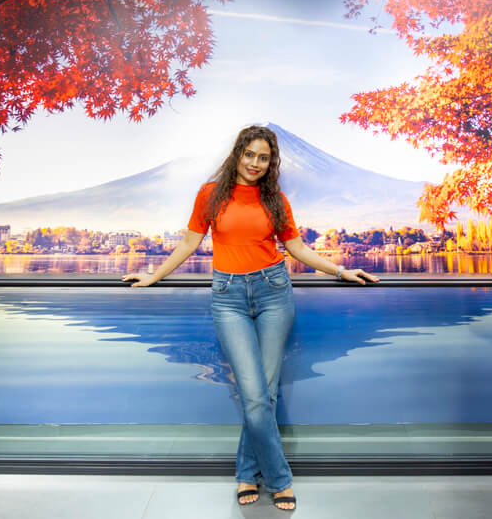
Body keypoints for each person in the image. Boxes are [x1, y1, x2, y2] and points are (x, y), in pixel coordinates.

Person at [122, 124, 379, 511]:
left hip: (274, 292)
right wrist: (153, 276)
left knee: (266, 393)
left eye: (264, 157)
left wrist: (342, 272)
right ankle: (279, 478)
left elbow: (296, 248)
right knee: (255, 394)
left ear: (270, 162)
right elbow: (191, 242)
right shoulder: (210, 195)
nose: (255, 163)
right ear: (237, 154)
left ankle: (246, 473)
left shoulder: (275, 199)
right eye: (249, 155)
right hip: (228, 299)